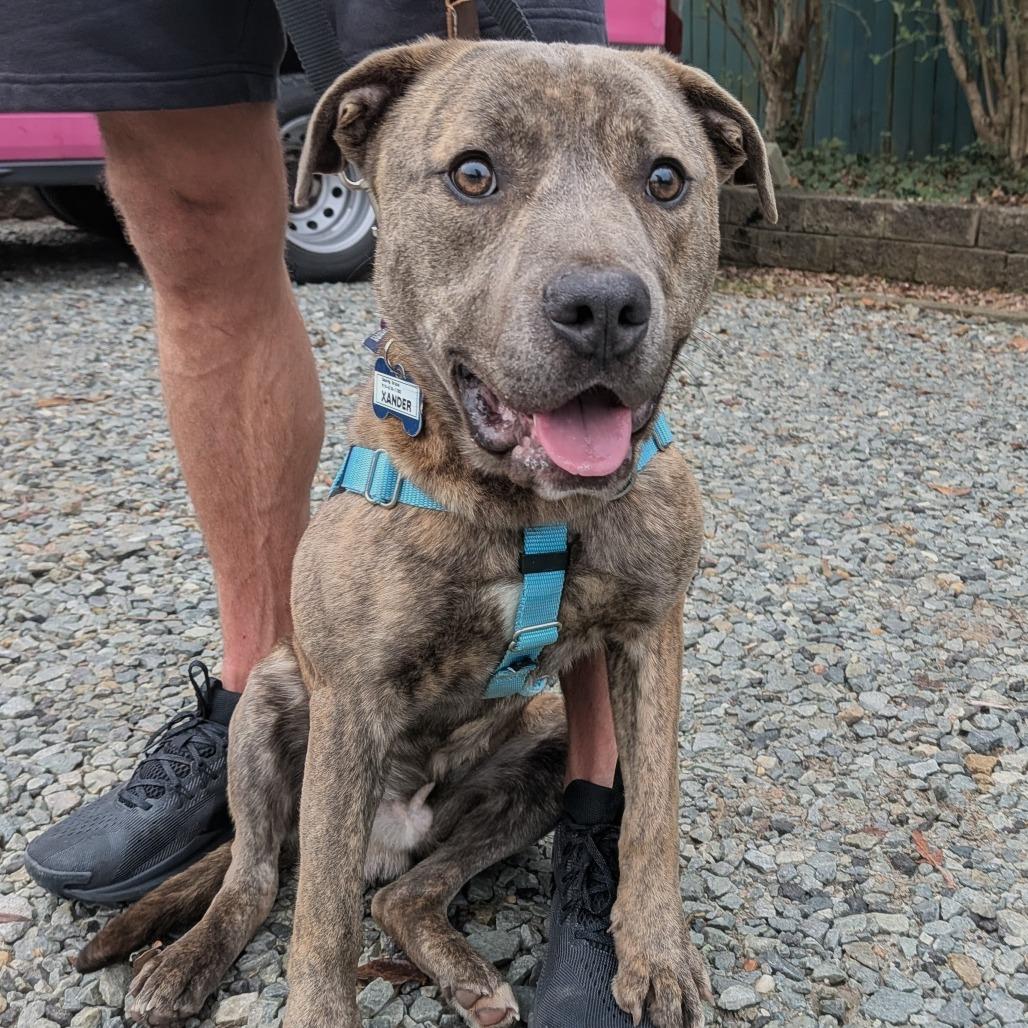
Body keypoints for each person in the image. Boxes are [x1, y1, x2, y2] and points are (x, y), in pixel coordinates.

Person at [3, 1, 651, 1023]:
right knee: (189, 209)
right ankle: (248, 813)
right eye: (471, 181)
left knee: (572, 127)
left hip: (493, 735)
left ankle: (593, 812)